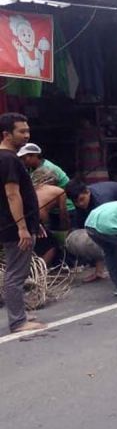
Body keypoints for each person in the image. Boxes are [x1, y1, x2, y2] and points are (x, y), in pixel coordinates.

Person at [0, 113, 45, 332]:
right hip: (15, 228)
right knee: (16, 274)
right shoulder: (8, 159)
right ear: (6, 134)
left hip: (17, 225)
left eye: (27, 130)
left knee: (18, 272)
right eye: (21, 131)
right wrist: (22, 227)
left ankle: (20, 314)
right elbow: (12, 194)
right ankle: (18, 321)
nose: (27, 135)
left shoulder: (10, 157)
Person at [18, 142, 72, 228]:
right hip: (51, 208)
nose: (23, 161)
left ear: (34, 156)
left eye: (24, 158)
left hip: (66, 207)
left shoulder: (48, 168)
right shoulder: (32, 168)